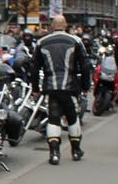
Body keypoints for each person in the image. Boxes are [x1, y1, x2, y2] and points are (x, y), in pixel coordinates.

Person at [33, 14, 91, 165]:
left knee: (53, 118)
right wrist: (85, 86)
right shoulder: (76, 41)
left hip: (51, 87)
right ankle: (76, 150)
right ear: (65, 25)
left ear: (52, 26)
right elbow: (85, 66)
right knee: (72, 118)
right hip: (70, 87)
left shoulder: (41, 42)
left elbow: (34, 68)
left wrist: (35, 88)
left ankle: (54, 153)